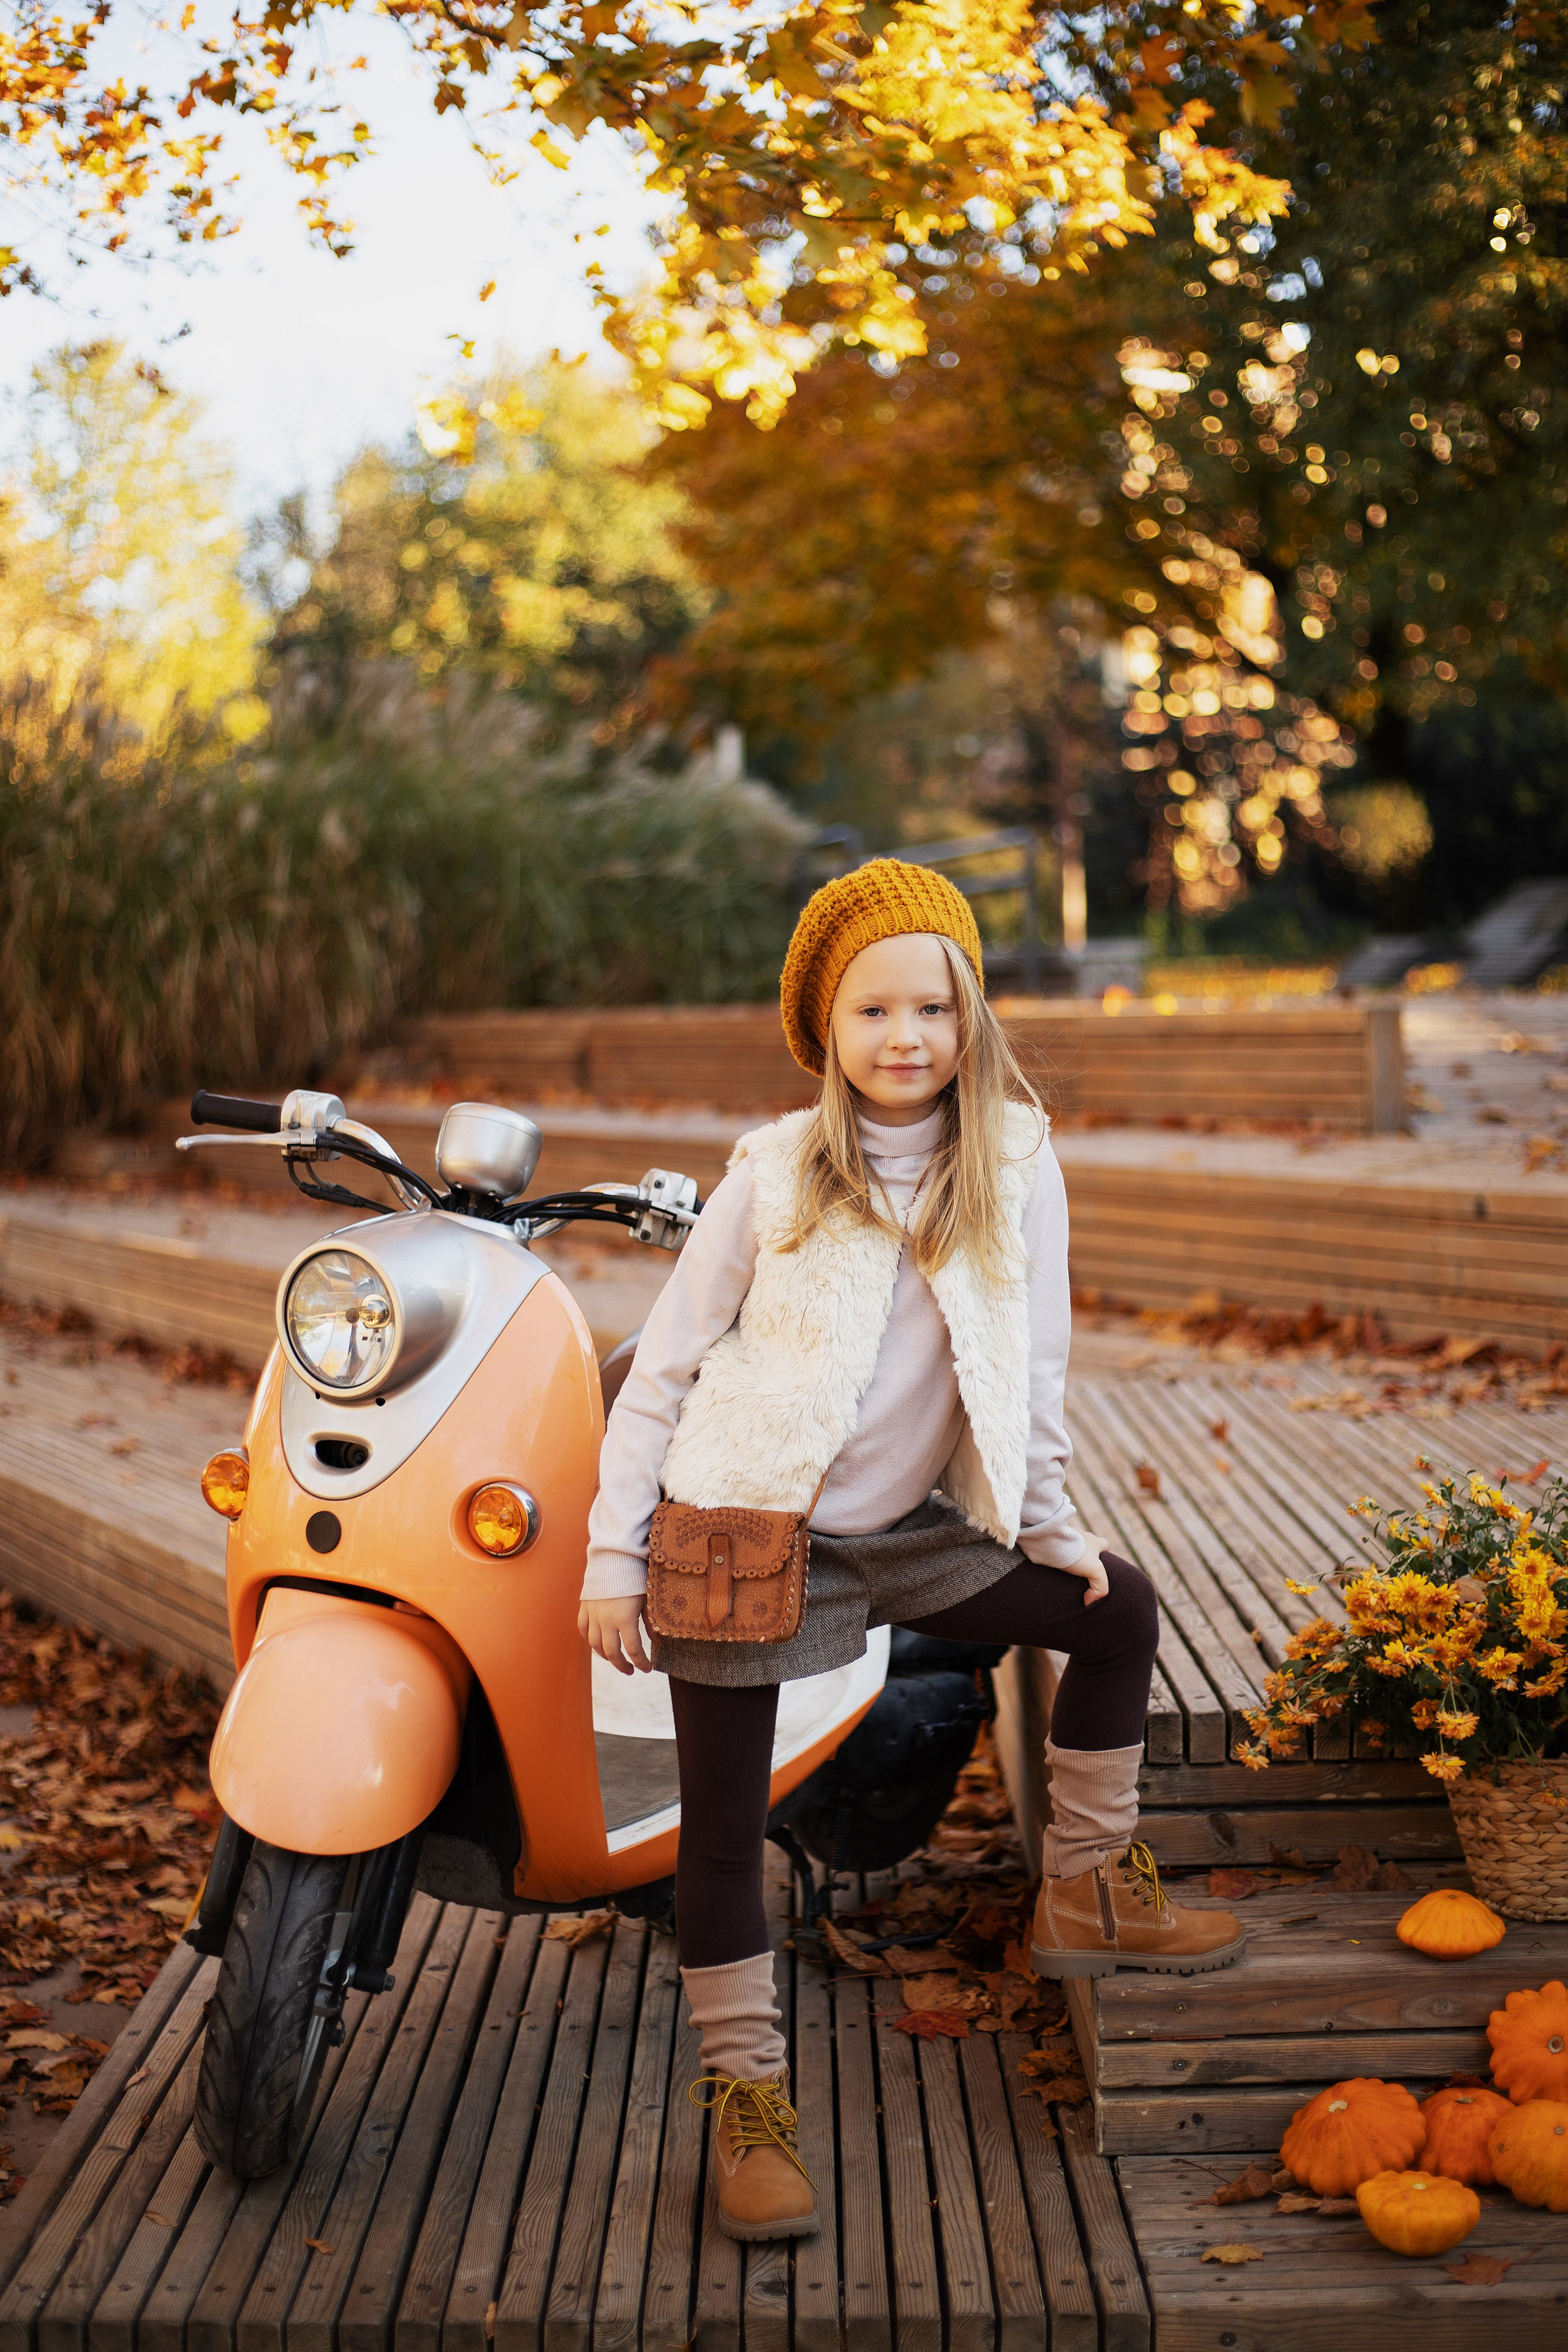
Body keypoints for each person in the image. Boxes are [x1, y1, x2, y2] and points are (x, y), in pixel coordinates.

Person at [578, 859, 1243, 2242]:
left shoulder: (1012, 1157)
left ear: (969, 1017)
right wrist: (611, 1557)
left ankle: (1085, 1883)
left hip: (908, 1540)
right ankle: (748, 2109)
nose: (903, 1039)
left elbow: (1033, 1362)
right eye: (870, 1009)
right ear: (824, 1028)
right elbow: (660, 1373)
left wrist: (1050, 1529)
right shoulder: (771, 1175)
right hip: (742, 1534)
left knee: (1116, 1611)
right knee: (719, 1833)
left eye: (929, 1009)